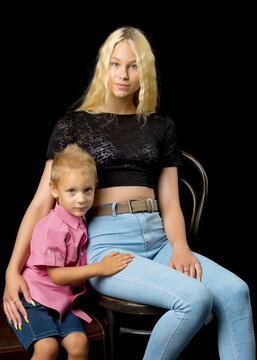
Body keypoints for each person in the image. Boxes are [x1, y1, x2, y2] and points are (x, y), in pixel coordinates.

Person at [3, 26, 255, 360]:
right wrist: (11, 269)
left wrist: (180, 247)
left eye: (133, 65)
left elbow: (170, 202)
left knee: (237, 291)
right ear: (103, 66)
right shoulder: (74, 124)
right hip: (107, 244)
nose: (123, 74)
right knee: (194, 299)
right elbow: (40, 203)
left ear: (144, 72)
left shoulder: (160, 125)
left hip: (159, 238)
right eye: (116, 64)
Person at [6, 143, 133, 360]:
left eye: (87, 190)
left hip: (60, 301)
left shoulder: (79, 219)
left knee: (79, 344)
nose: (81, 199)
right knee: (47, 348)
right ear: (54, 190)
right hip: (34, 298)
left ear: (95, 187)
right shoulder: (52, 226)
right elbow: (56, 275)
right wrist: (99, 268)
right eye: (71, 191)